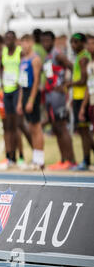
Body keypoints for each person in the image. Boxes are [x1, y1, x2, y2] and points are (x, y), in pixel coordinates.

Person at [41, 31, 76, 170]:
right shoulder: (47, 56)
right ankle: (63, 159)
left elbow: (73, 67)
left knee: (62, 127)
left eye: (48, 41)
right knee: (55, 127)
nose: (45, 44)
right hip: (50, 94)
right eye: (43, 41)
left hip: (58, 96)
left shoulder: (58, 54)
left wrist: (66, 84)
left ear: (53, 41)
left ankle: (71, 160)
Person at [17, 34, 45, 170]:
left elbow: (36, 81)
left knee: (36, 127)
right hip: (25, 92)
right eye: (22, 42)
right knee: (31, 128)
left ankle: (40, 159)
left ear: (32, 43)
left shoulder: (35, 59)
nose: (24, 45)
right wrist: (20, 102)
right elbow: (22, 83)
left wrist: (31, 100)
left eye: (26, 42)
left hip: (33, 93)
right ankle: (35, 158)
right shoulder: (23, 59)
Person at [67, 33, 93, 171]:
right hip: (78, 97)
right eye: (71, 42)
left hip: (83, 98)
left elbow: (83, 80)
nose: (73, 45)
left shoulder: (83, 58)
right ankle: (86, 160)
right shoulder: (80, 57)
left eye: (76, 42)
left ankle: (86, 160)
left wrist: (69, 84)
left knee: (84, 132)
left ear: (83, 43)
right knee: (84, 132)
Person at [0, 31, 23, 169]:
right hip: (6, 91)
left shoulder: (20, 52)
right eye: (6, 38)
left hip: (17, 91)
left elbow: (24, 66)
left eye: (10, 38)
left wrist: (21, 81)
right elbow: (1, 68)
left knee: (18, 125)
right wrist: (2, 81)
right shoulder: (3, 53)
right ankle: (9, 157)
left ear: (15, 39)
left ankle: (21, 156)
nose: (8, 40)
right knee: (8, 126)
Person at [78, 34, 94, 136]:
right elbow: (89, 87)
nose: (90, 46)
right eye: (88, 43)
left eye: (93, 43)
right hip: (92, 104)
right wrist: (83, 107)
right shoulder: (89, 64)